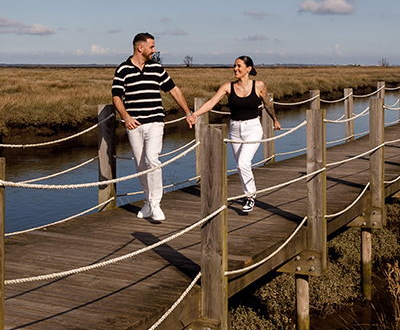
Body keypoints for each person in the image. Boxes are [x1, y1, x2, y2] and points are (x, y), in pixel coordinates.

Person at [112, 33, 194, 223]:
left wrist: (187, 112)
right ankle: (149, 201)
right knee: (141, 166)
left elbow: (173, 89)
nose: (154, 50)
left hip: (155, 122)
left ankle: (155, 204)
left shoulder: (157, 68)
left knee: (152, 159)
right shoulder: (123, 69)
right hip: (134, 125)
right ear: (140, 48)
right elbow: (116, 96)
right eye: (152, 47)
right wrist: (125, 117)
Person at [187, 56, 280, 213]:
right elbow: (211, 103)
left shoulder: (258, 85)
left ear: (248, 69)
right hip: (235, 129)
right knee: (240, 165)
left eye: (239, 66)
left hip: (253, 128)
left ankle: (250, 196)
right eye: (234, 66)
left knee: (243, 163)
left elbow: (267, 104)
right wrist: (194, 115)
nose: (235, 69)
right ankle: (248, 194)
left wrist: (275, 120)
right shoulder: (228, 87)